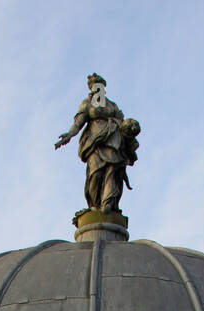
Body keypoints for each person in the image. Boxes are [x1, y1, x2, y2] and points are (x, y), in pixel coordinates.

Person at [55, 74, 140, 214]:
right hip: (94, 144)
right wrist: (69, 135)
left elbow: (123, 123)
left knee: (113, 172)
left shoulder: (112, 105)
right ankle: (94, 206)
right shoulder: (87, 103)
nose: (98, 90)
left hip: (114, 141)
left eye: (100, 87)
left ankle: (109, 204)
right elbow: (78, 123)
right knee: (95, 174)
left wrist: (130, 127)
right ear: (92, 90)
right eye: (95, 87)